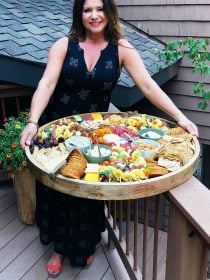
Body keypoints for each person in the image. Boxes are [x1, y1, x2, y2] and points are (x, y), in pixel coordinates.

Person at [20, 0, 198, 277]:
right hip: (59, 132)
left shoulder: (122, 49)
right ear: (79, 13)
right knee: (58, 188)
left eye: (99, 8)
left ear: (109, 12)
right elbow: (47, 83)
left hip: (95, 137)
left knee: (88, 191)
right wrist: (33, 121)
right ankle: (58, 249)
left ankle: (84, 244)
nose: (94, 15)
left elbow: (148, 85)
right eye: (87, 9)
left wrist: (180, 117)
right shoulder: (63, 45)